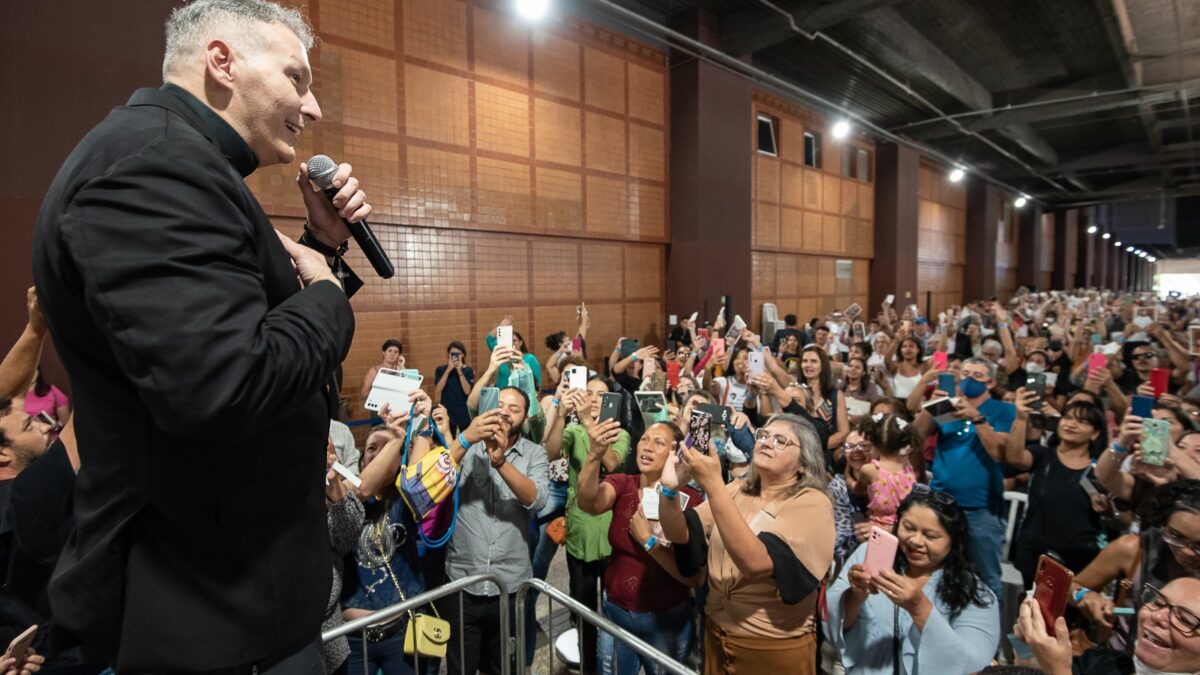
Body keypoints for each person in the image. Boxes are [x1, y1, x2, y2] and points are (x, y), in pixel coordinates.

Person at [31, 0, 368, 667]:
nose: (314, 106)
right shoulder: (153, 167)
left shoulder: (185, 164)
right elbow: (225, 385)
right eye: (297, 78)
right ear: (222, 61)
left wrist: (322, 248)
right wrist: (330, 299)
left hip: (237, 611)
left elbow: (225, 330)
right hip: (211, 618)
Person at [659, 413, 834, 674]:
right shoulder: (738, 490)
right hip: (716, 632)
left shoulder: (812, 503)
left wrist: (713, 483)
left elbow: (756, 563)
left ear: (804, 464)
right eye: (763, 435)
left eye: (780, 441)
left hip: (770, 646)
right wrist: (670, 491)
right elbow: (679, 532)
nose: (765, 442)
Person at [825, 485, 1000, 674]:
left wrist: (919, 608)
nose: (915, 541)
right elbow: (831, 624)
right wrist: (855, 595)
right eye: (908, 528)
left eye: (930, 536)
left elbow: (973, 664)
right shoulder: (869, 556)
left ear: (954, 540)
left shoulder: (974, 592)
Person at [576, 420, 703, 675]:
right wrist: (594, 456)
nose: (647, 447)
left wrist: (649, 542)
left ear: (674, 453)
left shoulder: (691, 501)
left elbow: (695, 578)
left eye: (659, 443)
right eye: (644, 439)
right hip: (616, 611)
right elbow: (589, 502)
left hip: (666, 619)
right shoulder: (624, 484)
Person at [442, 388, 549, 675]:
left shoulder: (535, 453)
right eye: (499, 404)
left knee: (504, 666)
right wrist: (464, 438)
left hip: (510, 585)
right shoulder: (468, 448)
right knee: (460, 666)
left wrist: (500, 461)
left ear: (525, 418)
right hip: (463, 581)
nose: (504, 411)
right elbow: (433, 484)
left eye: (514, 408)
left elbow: (536, 499)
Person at [544, 377, 632, 675]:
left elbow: (612, 463)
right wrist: (559, 413)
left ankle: (612, 658)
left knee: (611, 598)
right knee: (582, 598)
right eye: (589, 393)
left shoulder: (618, 432)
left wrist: (586, 419)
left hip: (610, 523)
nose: (594, 399)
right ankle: (588, 661)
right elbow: (551, 452)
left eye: (601, 395)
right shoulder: (574, 429)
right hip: (580, 521)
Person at [912, 357, 1015, 601]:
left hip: (981, 509)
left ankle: (989, 636)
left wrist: (976, 417)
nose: (969, 380)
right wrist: (932, 405)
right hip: (942, 504)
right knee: (937, 572)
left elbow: (998, 452)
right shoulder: (948, 407)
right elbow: (915, 437)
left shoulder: (1004, 410)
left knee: (986, 577)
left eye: (977, 376)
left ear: (990, 383)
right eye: (965, 374)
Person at [1069, 480, 1200, 653]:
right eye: (1175, 536)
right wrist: (1085, 596)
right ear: (1163, 522)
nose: (1187, 551)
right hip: (1121, 660)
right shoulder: (1133, 549)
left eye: (1199, 545)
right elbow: (1070, 586)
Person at [1006, 398, 1108, 587]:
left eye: (1082, 421)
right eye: (1067, 417)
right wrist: (1021, 418)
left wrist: (1108, 510)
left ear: (1095, 434)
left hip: (1079, 562)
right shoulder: (1043, 455)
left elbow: (1120, 517)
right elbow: (1015, 457)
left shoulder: (1100, 470)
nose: (1071, 424)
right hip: (1034, 556)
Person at [1016, 577, 1200, 675]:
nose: (1158, 616)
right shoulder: (1106, 663)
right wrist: (1029, 644)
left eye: (1186, 620)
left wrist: (1057, 670)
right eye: (1158, 604)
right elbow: (1029, 668)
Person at [847, 414, 919, 529]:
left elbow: (857, 490)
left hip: (878, 529)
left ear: (871, 440)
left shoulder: (870, 469)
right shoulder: (907, 464)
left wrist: (847, 475)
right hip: (904, 526)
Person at [434, 341, 476, 435]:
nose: (455, 357)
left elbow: (467, 391)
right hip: (447, 410)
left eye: (458, 354)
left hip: (463, 411)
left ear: (463, 355)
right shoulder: (441, 370)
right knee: (447, 438)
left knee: (466, 439)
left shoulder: (468, 371)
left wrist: (459, 371)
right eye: (452, 354)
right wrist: (448, 370)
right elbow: (438, 389)